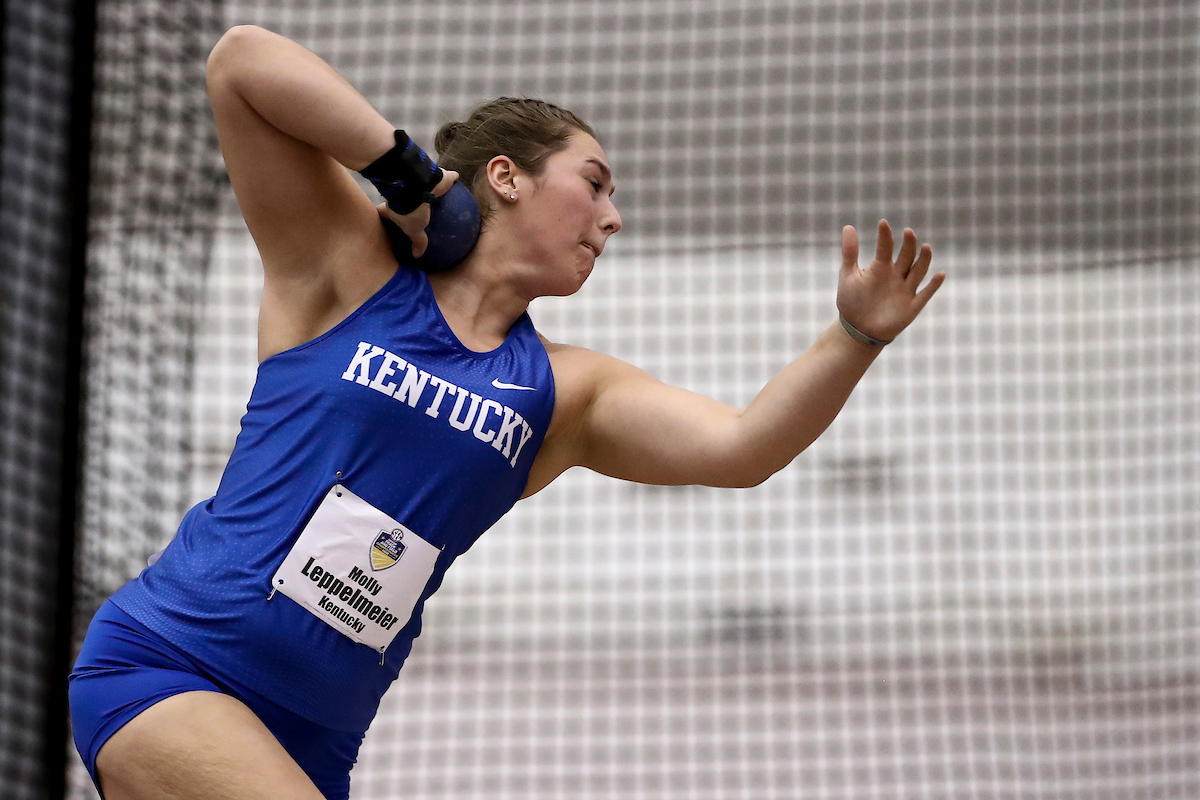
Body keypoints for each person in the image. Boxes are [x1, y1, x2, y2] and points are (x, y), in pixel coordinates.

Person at [68, 24, 944, 800]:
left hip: (317, 741)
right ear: (505, 178)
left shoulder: (566, 392)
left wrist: (853, 337)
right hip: (171, 667)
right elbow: (242, 64)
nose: (613, 218)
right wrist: (407, 177)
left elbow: (744, 447)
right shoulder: (349, 270)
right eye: (593, 184)